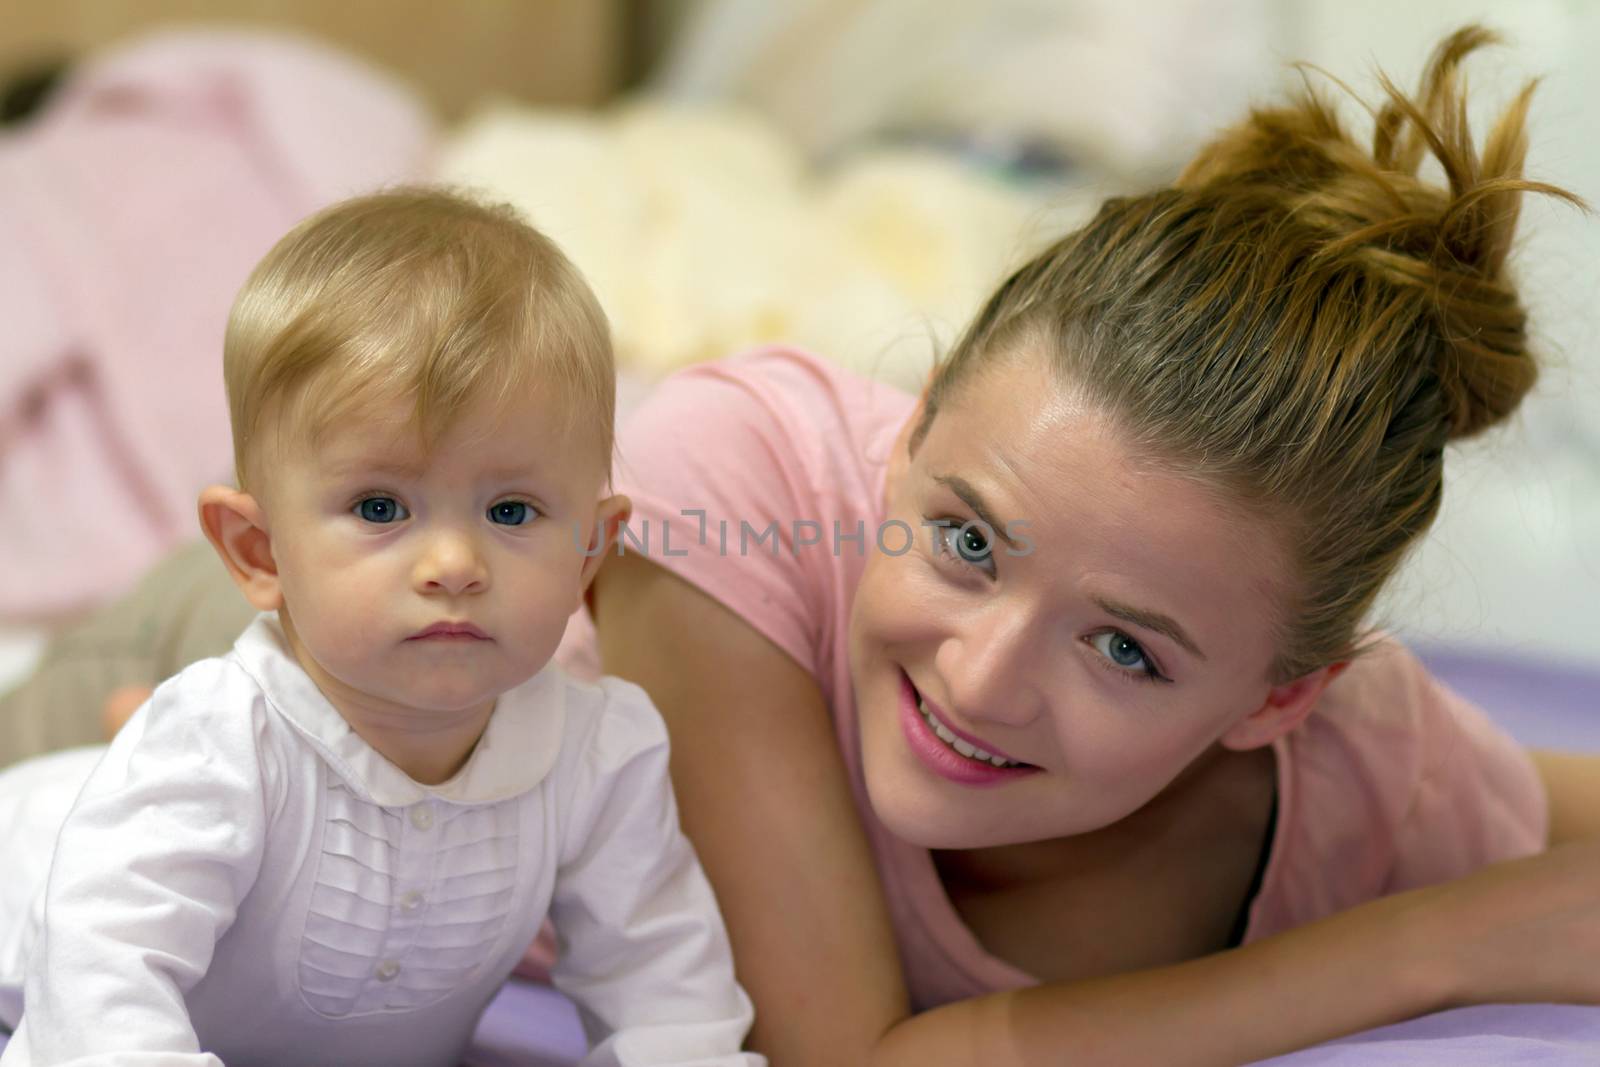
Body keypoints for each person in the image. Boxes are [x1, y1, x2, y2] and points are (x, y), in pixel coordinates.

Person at [4, 26, 1600, 1066]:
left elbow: (1539, 801)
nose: (981, 674)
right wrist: (1430, 951)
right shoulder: (730, 484)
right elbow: (847, 1054)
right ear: (901, 438)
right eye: (966, 537)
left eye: (1126, 646)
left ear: (1280, 695)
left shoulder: (1358, 765)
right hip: (225, 673)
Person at [0, 189, 763, 1066]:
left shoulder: (597, 755)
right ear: (259, 550)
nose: (453, 562)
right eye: (379, 505)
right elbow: (99, 979)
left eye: (511, 509)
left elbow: (670, 992)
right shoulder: (220, 741)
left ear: (591, 551)